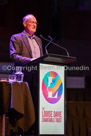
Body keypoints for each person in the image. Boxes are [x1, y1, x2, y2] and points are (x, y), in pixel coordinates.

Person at [9, 14, 44, 135]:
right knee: (22, 105)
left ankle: (33, 130)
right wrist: (30, 61)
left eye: (36, 23)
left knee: (35, 104)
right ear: (24, 24)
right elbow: (14, 56)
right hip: (23, 76)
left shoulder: (39, 40)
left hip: (37, 76)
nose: (34, 25)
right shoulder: (17, 38)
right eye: (31, 22)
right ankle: (19, 131)